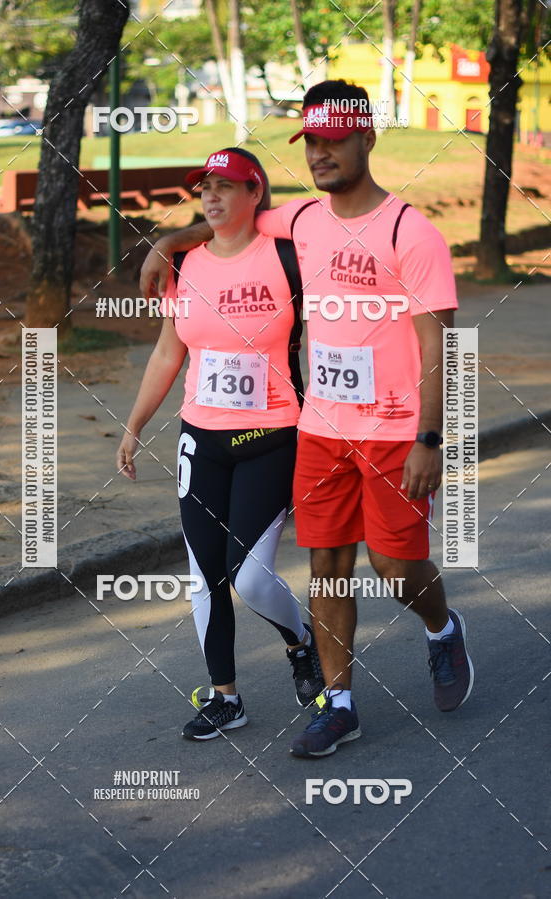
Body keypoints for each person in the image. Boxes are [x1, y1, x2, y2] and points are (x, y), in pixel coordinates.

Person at [138, 82, 475, 758]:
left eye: (334, 141)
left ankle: (441, 627)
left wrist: (430, 438)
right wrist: (171, 238)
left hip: (393, 429)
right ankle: (339, 701)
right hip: (320, 428)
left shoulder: (413, 231)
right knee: (326, 565)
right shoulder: (302, 220)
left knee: (394, 563)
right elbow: (232, 221)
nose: (321, 154)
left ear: (367, 138)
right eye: (311, 143)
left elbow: (440, 340)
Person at [117, 147, 324, 741]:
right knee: (203, 574)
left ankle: (301, 638)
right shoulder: (186, 268)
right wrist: (133, 425)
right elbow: (167, 352)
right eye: (205, 187)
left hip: (273, 436)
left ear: (255, 193)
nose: (212, 196)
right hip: (200, 440)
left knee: (251, 579)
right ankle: (225, 696)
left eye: (227, 186)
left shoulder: (290, 257)